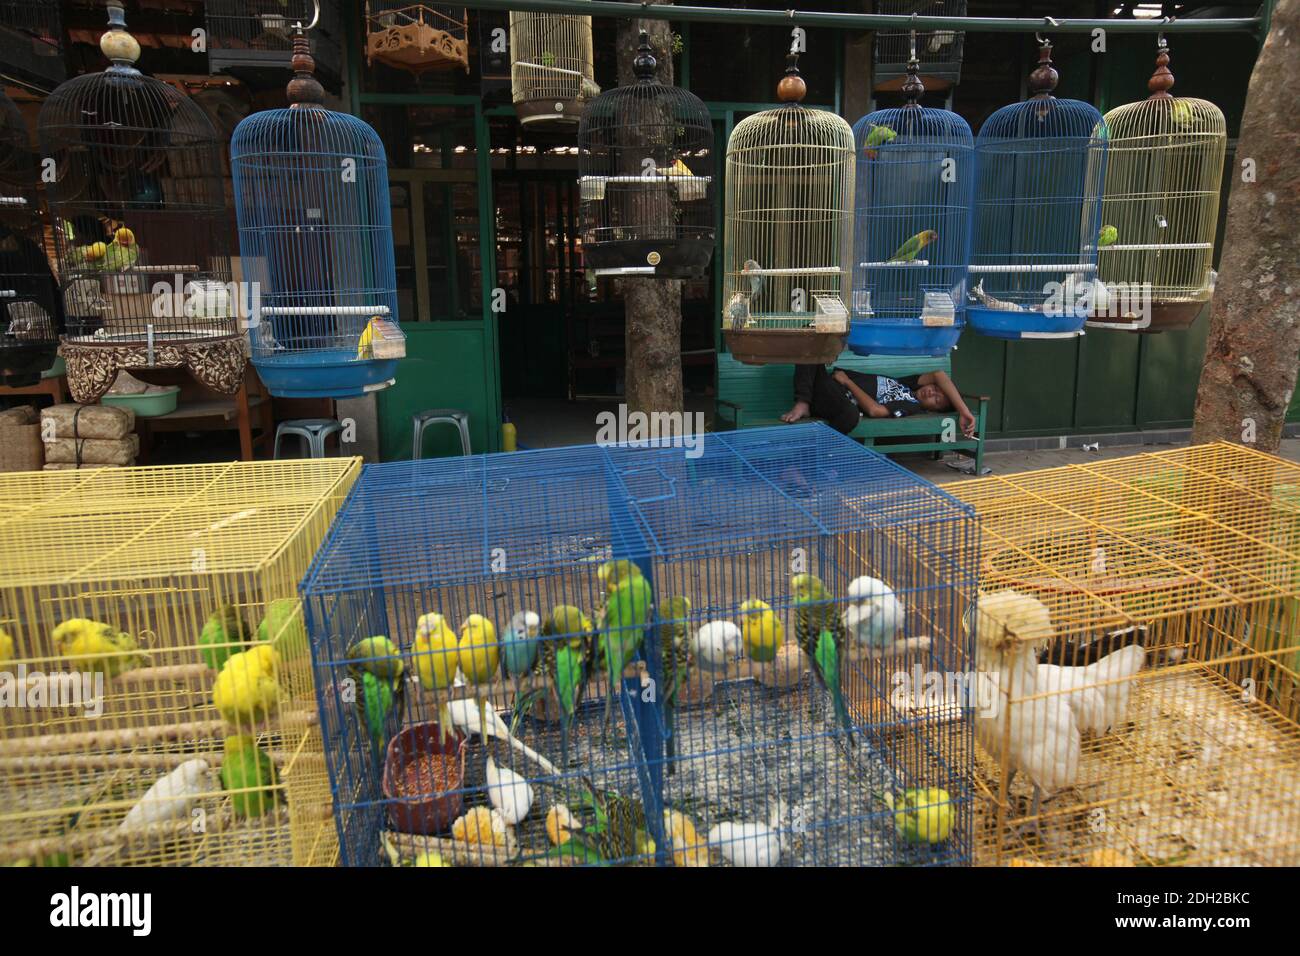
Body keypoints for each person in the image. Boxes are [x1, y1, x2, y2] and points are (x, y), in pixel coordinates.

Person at [780, 363, 976, 438]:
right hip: (828, 386)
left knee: (851, 416)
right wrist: (964, 411)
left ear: (934, 410)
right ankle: (803, 402)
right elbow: (940, 374)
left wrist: (848, 382)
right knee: (812, 342)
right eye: (934, 389)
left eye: (936, 400)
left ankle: (806, 458)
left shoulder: (911, 405)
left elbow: (875, 411)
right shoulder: (906, 384)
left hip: (840, 400)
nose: (931, 393)